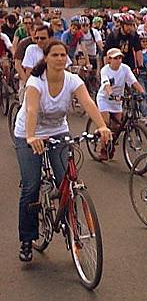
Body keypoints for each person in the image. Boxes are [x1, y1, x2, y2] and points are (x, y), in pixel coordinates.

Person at [14, 40, 111, 262]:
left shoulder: (72, 80)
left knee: (66, 181)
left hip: (58, 131)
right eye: (55, 55)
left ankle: (71, 226)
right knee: (31, 186)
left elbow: (87, 102)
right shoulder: (36, 83)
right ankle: (27, 240)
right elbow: (31, 110)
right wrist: (31, 137)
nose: (59, 59)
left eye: (62, 55)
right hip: (29, 133)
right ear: (45, 58)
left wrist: (102, 126)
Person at [95, 48, 146, 160]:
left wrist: (142, 92)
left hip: (118, 100)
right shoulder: (105, 70)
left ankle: (111, 144)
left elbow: (133, 81)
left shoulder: (125, 68)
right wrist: (112, 94)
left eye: (120, 57)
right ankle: (103, 149)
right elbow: (106, 84)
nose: (118, 60)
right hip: (105, 99)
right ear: (109, 60)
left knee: (117, 126)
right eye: (115, 58)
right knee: (106, 124)